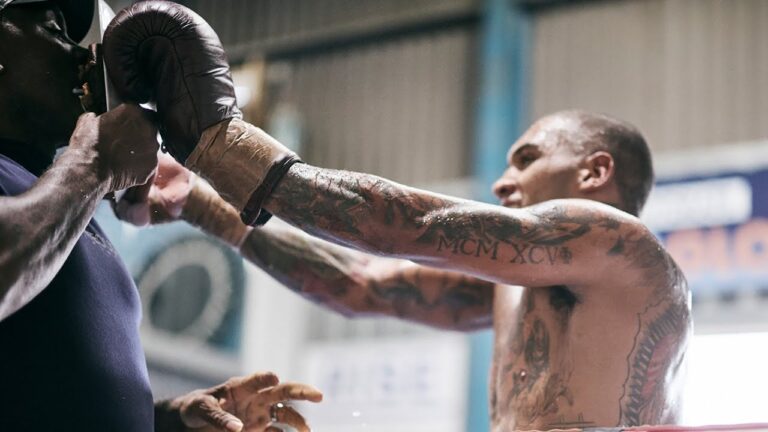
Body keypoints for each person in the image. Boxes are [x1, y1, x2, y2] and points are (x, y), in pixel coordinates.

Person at [118, 108, 692, 430]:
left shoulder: (623, 245)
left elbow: (397, 224)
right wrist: (200, 202)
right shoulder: (517, 287)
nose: (501, 182)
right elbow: (361, 285)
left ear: (594, 174)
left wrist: (217, 142)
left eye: (527, 159)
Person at [0, 2, 321, 431]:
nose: (84, 54)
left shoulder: (58, 201)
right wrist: (94, 166)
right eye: (53, 30)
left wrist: (173, 420)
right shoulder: (70, 184)